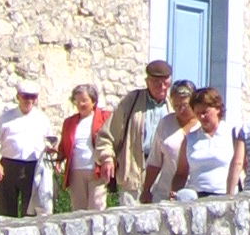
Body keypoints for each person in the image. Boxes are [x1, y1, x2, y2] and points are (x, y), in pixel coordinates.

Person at [94, 59, 173, 203]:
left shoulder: (173, 106)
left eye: (166, 82)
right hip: (133, 177)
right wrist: (107, 158)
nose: (162, 87)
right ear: (147, 81)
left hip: (162, 180)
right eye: (156, 82)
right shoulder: (132, 101)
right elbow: (106, 135)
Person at [0, 79, 54, 218]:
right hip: (9, 166)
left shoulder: (42, 119)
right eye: (25, 96)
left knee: (30, 211)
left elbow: (51, 142)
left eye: (32, 97)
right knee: (6, 209)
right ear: (18, 97)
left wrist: (53, 156)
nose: (29, 100)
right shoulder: (6, 117)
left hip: (33, 166)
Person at [57, 84, 111, 212]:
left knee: (97, 208)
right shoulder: (69, 122)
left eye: (84, 100)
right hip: (76, 171)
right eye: (77, 101)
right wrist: (59, 159)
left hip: (96, 171)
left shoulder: (105, 118)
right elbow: (64, 144)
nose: (81, 104)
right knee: (78, 211)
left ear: (93, 101)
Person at [172, 87, 234, 198]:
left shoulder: (232, 134)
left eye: (205, 112)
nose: (202, 117)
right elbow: (181, 173)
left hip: (225, 195)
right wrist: (175, 192)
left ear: (217, 109)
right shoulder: (190, 139)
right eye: (198, 113)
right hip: (196, 197)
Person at [141, 81, 196, 203]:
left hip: (193, 193)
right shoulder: (166, 123)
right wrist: (146, 190)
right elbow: (155, 160)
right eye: (176, 106)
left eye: (184, 105)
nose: (180, 110)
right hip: (164, 193)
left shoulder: (202, 125)